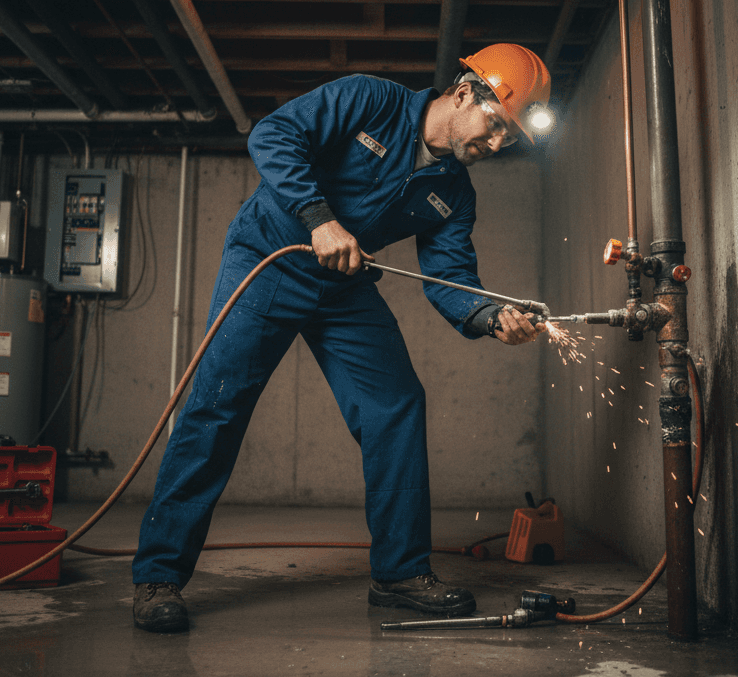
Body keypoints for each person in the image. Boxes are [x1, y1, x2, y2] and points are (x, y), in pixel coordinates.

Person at [132, 44, 553, 633]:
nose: (499, 143)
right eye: (497, 124)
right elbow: (274, 134)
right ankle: (158, 576)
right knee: (216, 407)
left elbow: (449, 275)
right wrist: (318, 218)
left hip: (344, 287)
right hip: (269, 261)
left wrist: (490, 315)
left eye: (511, 137)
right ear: (463, 93)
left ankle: (400, 573)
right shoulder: (370, 99)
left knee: (396, 405)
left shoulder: (455, 192)